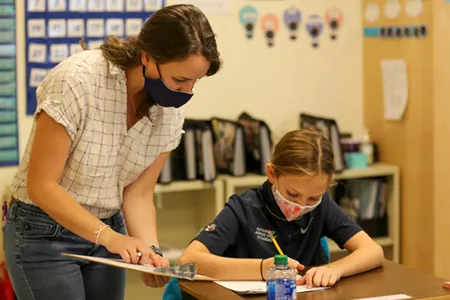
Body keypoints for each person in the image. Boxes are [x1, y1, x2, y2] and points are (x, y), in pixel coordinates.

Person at [3, 4, 221, 300]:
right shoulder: (78, 79)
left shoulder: (170, 112)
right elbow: (42, 186)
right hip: (44, 231)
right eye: (179, 80)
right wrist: (110, 238)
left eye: (195, 82)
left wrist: (150, 252)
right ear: (147, 57)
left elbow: (138, 194)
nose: (186, 92)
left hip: (108, 229)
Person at [179, 129, 385, 288]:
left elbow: (372, 251)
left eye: (313, 197)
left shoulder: (322, 207)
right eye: (292, 194)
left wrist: (334, 269)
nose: (300, 206)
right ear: (271, 174)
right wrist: (261, 269)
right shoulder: (244, 208)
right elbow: (188, 260)